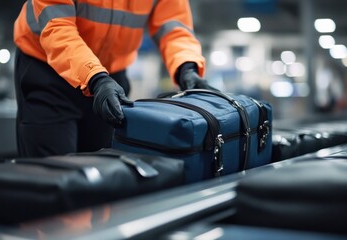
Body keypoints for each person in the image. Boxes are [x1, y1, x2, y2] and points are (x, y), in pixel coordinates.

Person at [13, 0, 215, 157]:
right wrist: (94, 76)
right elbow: (56, 26)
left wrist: (186, 67)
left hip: (110, 79)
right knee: (52, 175)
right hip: (49, 73)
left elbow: (173, 25)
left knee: (104, 173)